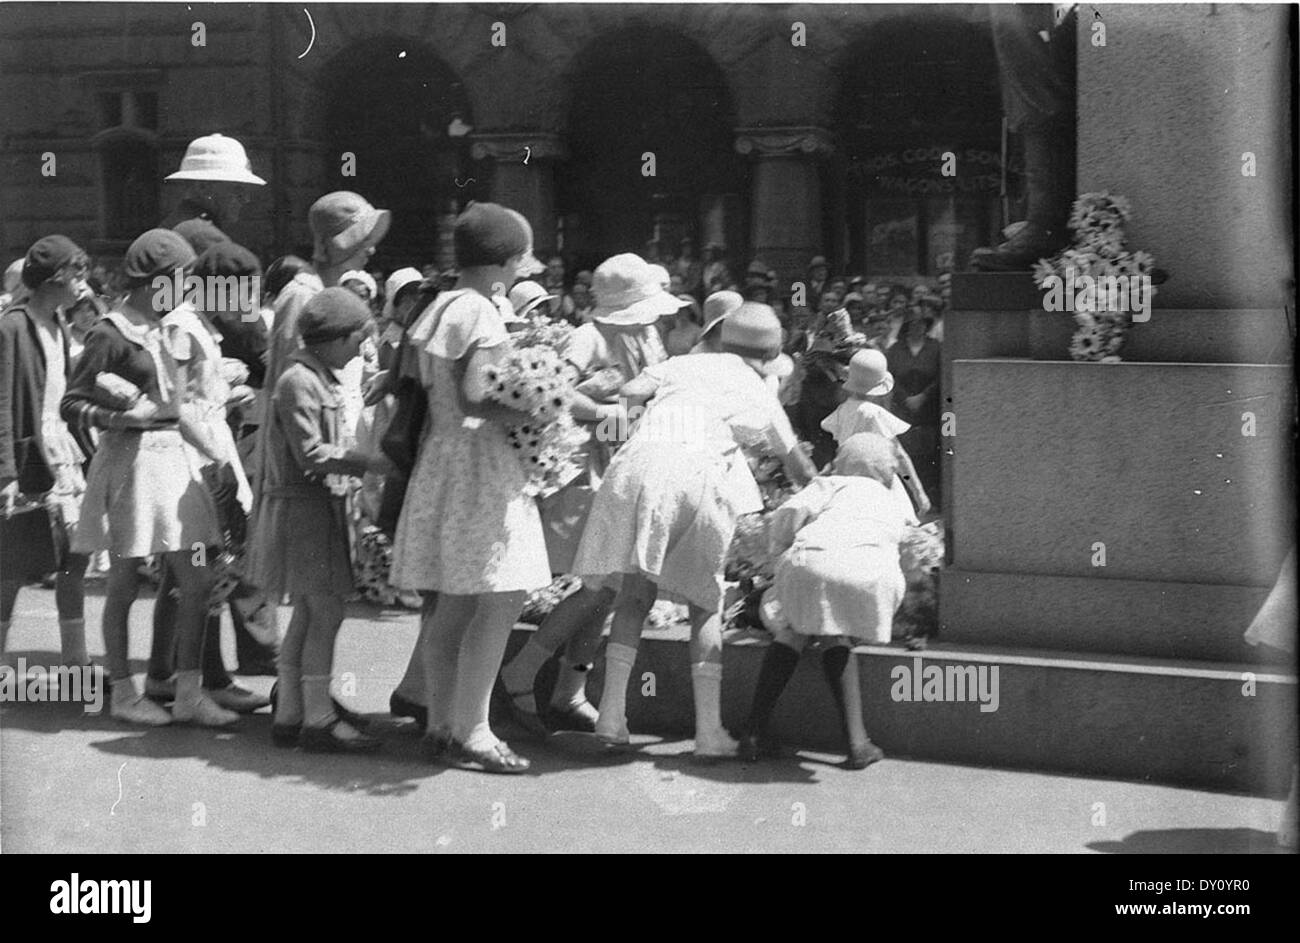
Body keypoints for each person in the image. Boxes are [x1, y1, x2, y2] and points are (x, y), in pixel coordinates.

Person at [567, 303, 816, 759]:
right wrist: (827, 495)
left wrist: (615, 428)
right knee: (705, 604)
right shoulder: (756, 386)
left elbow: (627, 397)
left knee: (634, 594)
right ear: (768, 357)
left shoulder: (680, 363)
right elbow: (795, 462)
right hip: (698, 475)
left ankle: (611, 717)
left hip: (636, 467)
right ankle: (708, 733)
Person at [390, 202, 552, 774]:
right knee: (501, 598)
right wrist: (539, 412)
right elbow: (477, 396)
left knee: (454, 603)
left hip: (443, 462)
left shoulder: (442, 304)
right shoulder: (482, 312)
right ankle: (475, 730)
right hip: (482, 467)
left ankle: (440, 721)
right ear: (504, 262)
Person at [498, 253, 675, 736]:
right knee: (598, 582)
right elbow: (556, 391)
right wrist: (610, 415)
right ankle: (522, 673)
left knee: (609, 586)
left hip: (627, 467)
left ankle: (567, 691)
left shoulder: (647, 335)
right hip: (586, 471)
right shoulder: (587, 336)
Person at [62, 229, 232, 726]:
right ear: (160, 280)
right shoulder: (109, 332)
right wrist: (120, 420)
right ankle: (122, 691)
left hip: (172, 462)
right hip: (129, 465)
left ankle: (188, 693)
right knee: (124, 582)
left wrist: (213, 455)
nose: (187, 290)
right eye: (182, 280)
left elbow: (173, 410)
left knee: (197, 581)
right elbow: (72, 403)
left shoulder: (163, 329)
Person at [247, 288, 388, 751]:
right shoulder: (300, 380)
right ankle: (319, 719)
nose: (360, 350)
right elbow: (311, 454)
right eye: (356, 339)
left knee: (310, 612)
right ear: (335, 338)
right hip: (305, 508)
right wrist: (370, 463)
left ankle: (290, 711)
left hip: (312, 507)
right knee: (327, 611)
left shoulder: (312, 375)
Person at [737, 433, 908, 768]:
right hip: (872, 574)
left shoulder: (832, 484)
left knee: (792, 628)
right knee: (836, 630)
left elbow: (788, 513)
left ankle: (753, 733)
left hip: (811, 563)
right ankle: (858, 743)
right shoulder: (891, 500)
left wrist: (780, 549)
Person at [0, 237, 94, 671]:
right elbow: (2, 402)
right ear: (55, 278)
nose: (83, 282)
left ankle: (76, 661)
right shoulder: (11, 326)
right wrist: (5, 472)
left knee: (76, 558)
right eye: (77, 274)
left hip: (62, 454)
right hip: (27, 458)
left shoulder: (59, 323)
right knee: (12, 567)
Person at [821, 348, 930, 519]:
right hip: (878, 481)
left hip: (848, 483)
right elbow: (899, 455)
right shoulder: (873, 414)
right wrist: (919, 492)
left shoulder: (842, 411)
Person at [886, 307, 942, 507]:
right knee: (907, 456)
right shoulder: (895, 349)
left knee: (930, 455)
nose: (917, 327)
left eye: (921, 323)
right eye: (913, 323)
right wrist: (906, 398)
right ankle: (908, 502)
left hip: (929, 409)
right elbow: (889, 376)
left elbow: (940, 376)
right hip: (903, 410)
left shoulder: (936, 347)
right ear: (906, 326)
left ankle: (931, 500)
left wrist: (923, 396)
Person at [161, 133, 266, 234]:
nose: (246, 199)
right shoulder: (198, 233)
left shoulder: (182, 223)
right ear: (203, 187)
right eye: (238, 190)